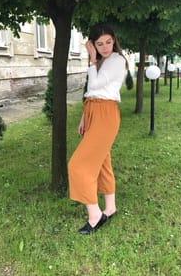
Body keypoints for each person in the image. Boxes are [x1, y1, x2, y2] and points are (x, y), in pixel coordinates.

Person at [68, 23, 128, 235]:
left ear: (114, 40)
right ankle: (110, 207)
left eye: (108, 42)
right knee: (103, 162)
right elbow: (91, 92)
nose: (105, 47)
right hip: (94, 110)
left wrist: (92, 59)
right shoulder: (102, 61)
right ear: (93, 43)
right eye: (99, 44)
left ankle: (96, 215)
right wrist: (85, 117)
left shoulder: (117, 60)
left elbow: (94, 86)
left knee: (78, 165)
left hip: (105, 113)